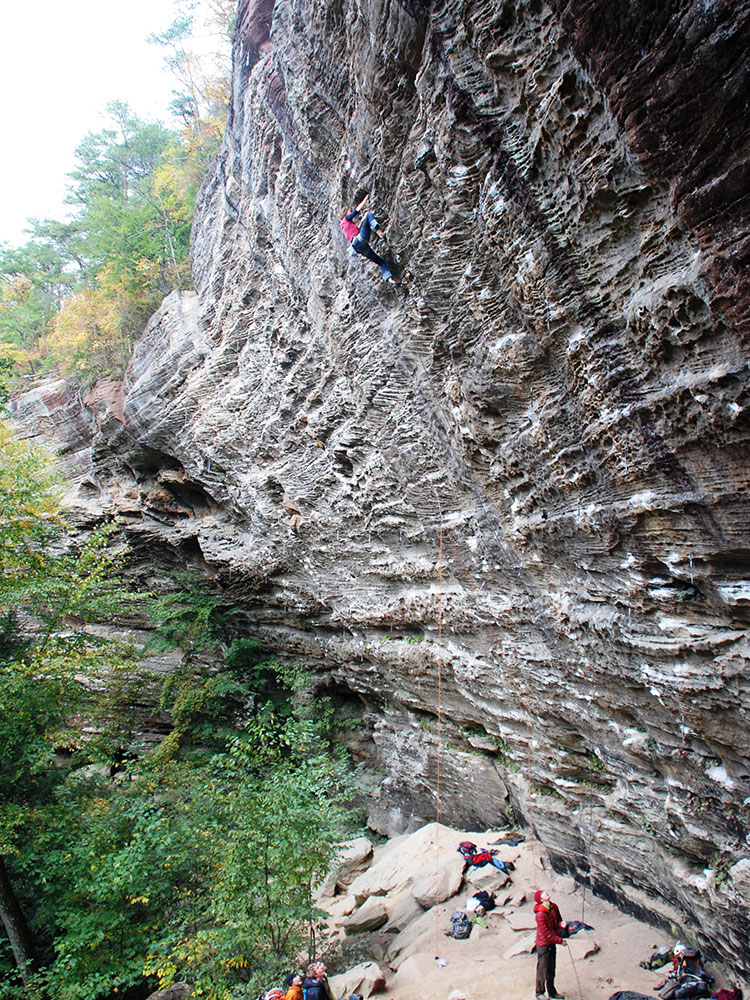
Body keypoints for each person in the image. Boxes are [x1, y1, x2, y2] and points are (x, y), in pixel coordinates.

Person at [340, 195, 401, 286]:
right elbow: (357, 211)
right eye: (349, 211)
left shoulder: (344, 225)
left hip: (359, 248)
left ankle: (390, 280)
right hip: (359, 240)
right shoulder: (345, 219)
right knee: (369, 215)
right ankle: (379, 232)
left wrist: (363, 220)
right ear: (345, 213)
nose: (351, 212)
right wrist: (365, 200)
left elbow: (359, 229)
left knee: (381, 262)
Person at [534, 889, 567, 1000]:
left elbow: (558, 920)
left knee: (551, 969)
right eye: (542, 894)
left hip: (551, 942)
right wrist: (560, 941)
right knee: (542, 969)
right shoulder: (540, 914)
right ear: (540, 899)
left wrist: (561, 924)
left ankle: (552, 992)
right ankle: (539, 993)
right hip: (543, 944)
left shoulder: (553, 907)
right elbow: (546, 933)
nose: (545, 893)